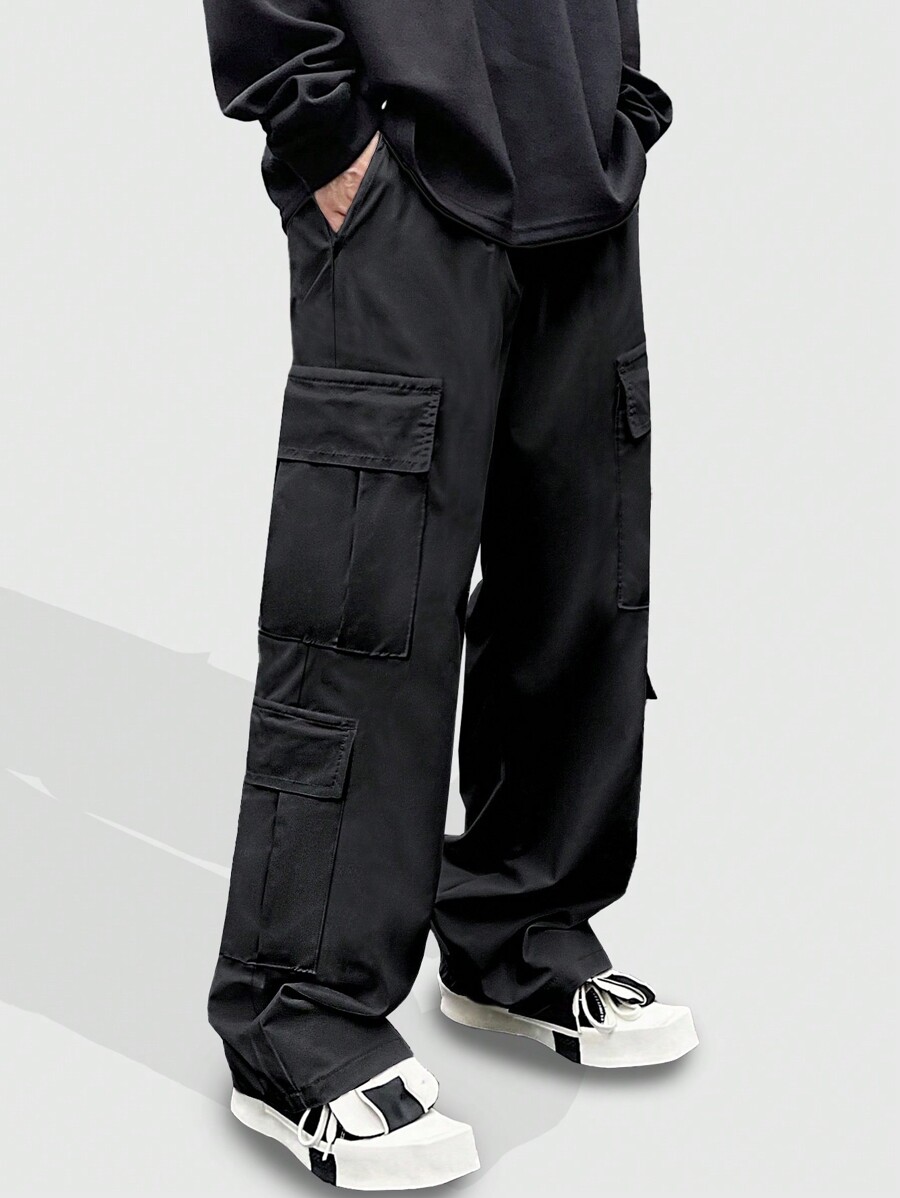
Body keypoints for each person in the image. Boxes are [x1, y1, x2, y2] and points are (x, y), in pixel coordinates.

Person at [201, 0, 697, 1188]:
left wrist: (620, 103)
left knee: (580, 582)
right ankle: (295, 1017)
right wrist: (322, 134)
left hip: (582, 172)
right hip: (402, 179)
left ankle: (519, 930)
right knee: (369, 608)